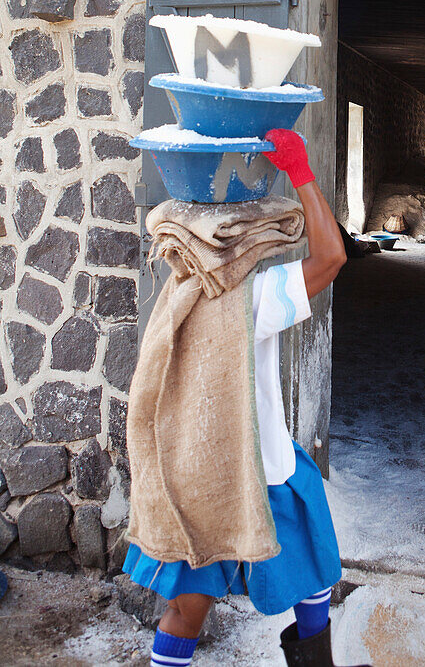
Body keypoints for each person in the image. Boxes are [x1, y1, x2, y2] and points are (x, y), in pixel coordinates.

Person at [123, 130, 369, 667]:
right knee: (313, 578)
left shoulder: (175, 293)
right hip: (264, 474)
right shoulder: (251, 299)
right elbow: (330, 258)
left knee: (187, 614)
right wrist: (300, 173)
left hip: (194, 479)